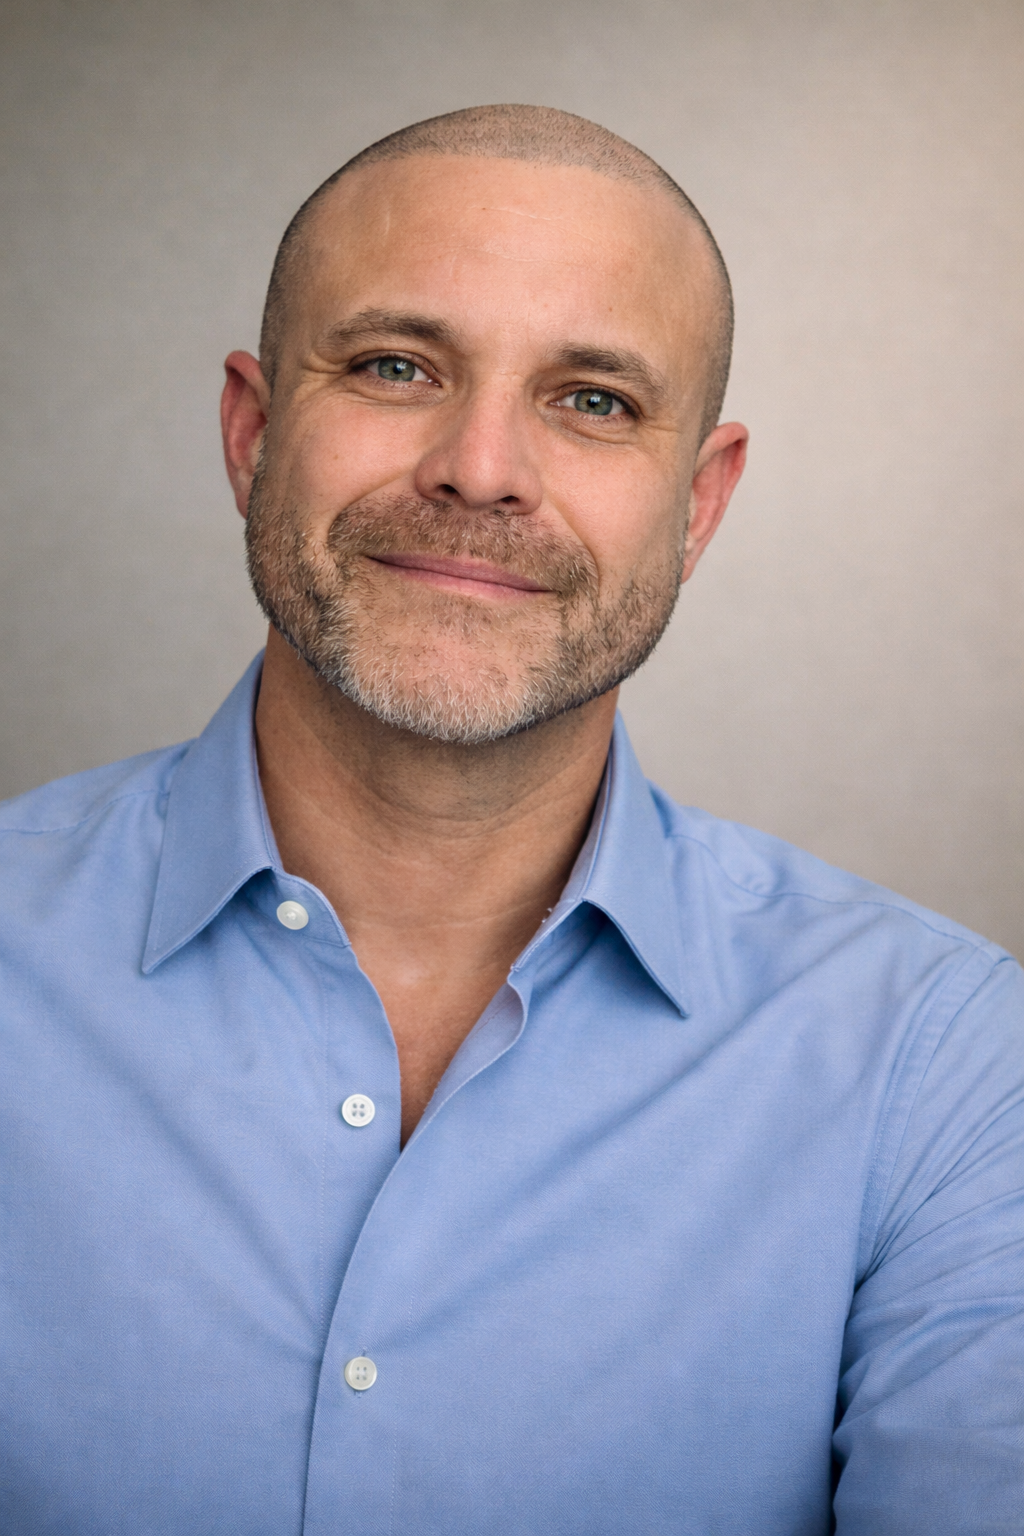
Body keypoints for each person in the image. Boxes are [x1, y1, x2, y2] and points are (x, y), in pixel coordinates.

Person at [1, 105, 1020, 1536]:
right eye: (395, 365)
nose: (480, 468)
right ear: (251, 433)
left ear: (700, 505)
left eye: (593, 399)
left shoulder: (949, 1067)